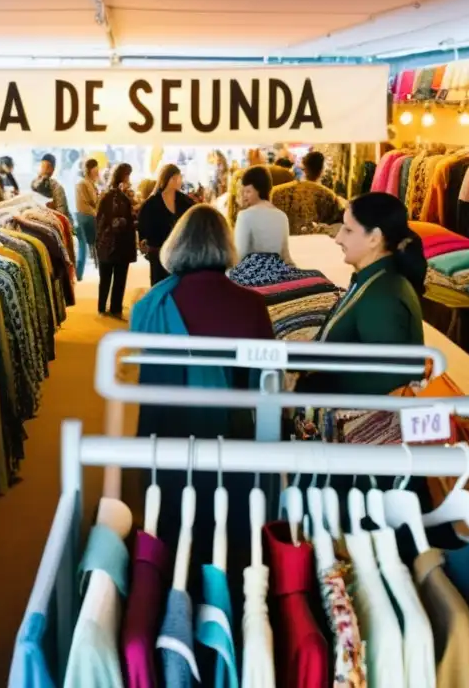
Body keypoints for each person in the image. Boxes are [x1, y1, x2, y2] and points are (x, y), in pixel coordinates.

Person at [130, 204, 274, 629]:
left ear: (177, 246)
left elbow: (141, 374)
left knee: (172, 525)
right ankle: (229, 608)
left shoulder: (151, 303)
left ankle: (171, 604)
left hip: (167, 437)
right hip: (232, 443)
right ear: (226, 246)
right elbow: (263, 384)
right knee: (231, 536)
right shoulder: (250, 304)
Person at [296, 191, 426, 395]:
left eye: (348, 230)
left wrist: (309, 376)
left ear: (374, 238)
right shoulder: (372, 279)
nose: (338, 238)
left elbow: (389, 380)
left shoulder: (383, 297)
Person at [137, 164, 194, 285]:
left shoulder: (185, 201)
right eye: (179, 178)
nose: (181, 181)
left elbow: (195, 218)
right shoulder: (151, 203)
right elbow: (143, 227)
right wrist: (144, 242)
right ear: (172, 178)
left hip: (180, 254)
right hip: (158, 256)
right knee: (159, 287)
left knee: (178, 288)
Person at [95, 163, 136, 318]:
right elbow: (118, 220)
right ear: (123, 176)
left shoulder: (106, 194)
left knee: (106, 277)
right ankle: (115, 307)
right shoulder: (117, 196)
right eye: (128, 175)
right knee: (118, 276)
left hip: (106, 241)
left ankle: (103, 306)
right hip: (117, 242)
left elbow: (100, 219)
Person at [234, 165, 292, 262]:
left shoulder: (244, 216)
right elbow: (285, 255)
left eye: (248, 191)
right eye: (243, 192)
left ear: (259, 190)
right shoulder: (282, 216)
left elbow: (240, 254)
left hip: (252, 273)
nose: (244, 196)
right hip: (276, 272)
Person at [74, 158, 100, 281]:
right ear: (91, 170)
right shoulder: (85, 183)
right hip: (87, 217)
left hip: (80, 216)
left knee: (82, 246)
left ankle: (79, 274)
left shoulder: (84, 183)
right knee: (94, 244)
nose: (98, 172)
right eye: (96, 169)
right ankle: (99, 269)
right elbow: (93, 201)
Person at [31, 154, 71, 220]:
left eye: (47, 167)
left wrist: (52, 209)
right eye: (42, 167)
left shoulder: (58, 188)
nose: (44, 170)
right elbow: (34, 187)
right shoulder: (36, 182)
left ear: (53, 170)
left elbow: (62, 214)